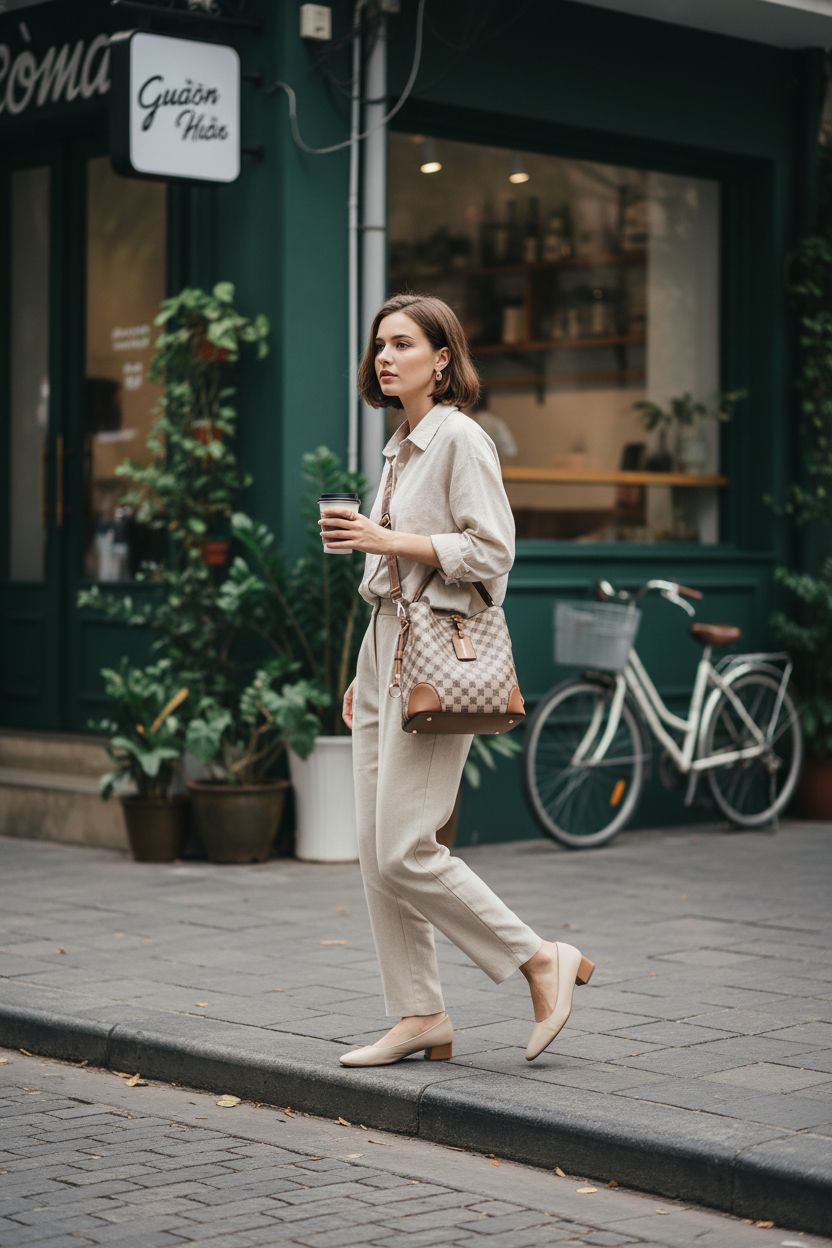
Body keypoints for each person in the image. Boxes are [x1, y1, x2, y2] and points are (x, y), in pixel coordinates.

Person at [317, 293, 595, 1067]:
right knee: (376, 851)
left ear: (442, 360)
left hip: (441, 657)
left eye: (403, 343)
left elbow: (492, 552)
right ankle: (420, 1015)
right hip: (387, 649)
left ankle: (539, 958)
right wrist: (365, 666)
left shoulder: (461, 439)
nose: (385, 356)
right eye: (380, 344)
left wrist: (385, 538)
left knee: (407, 847)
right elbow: (391, 579)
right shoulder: (400, 448)